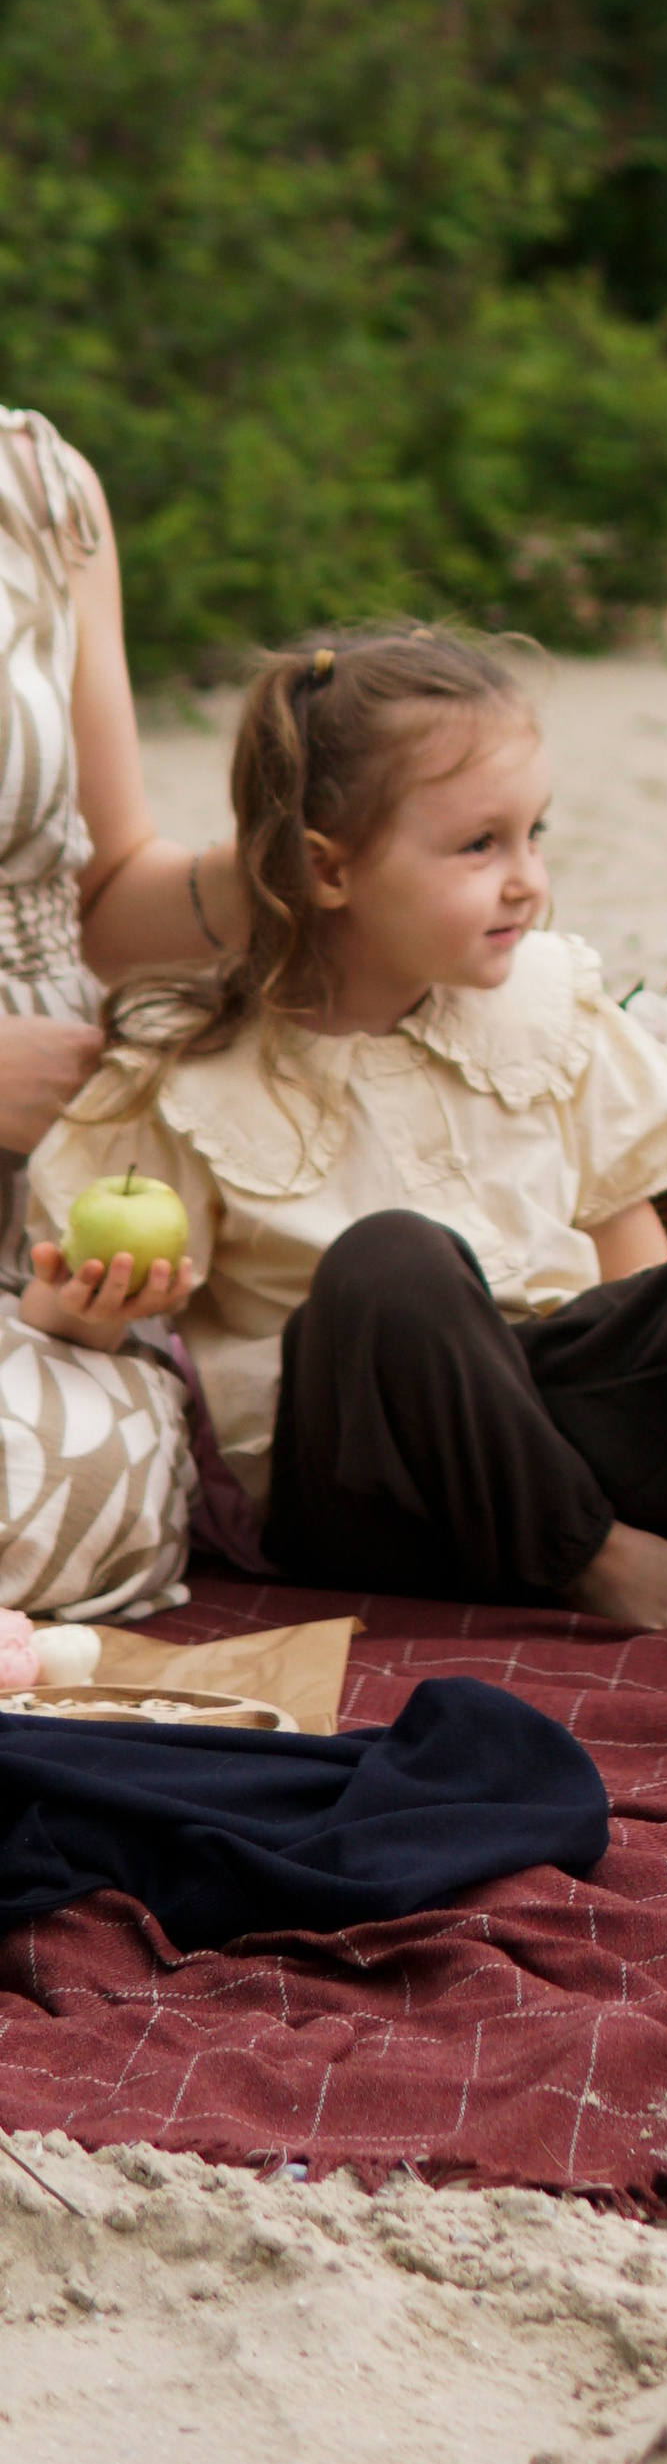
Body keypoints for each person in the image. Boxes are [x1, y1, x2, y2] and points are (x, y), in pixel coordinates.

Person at [29, 624, 667, 1692]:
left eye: (534, 835)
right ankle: (588, 1557)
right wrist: (89, 1307)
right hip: (367, 1487)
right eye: (480, 846)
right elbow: (98, 1325)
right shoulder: (194, 1070)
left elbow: (632, 1250)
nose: (526, 879)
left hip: (552, 1428)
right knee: (392, 1262)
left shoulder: (546, 1010)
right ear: (327, 869)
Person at [2, 404, 242, 1619]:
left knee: (98, 1469)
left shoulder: (40, 491)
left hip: (40, 1182)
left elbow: (109, 898)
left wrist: (303, 870)